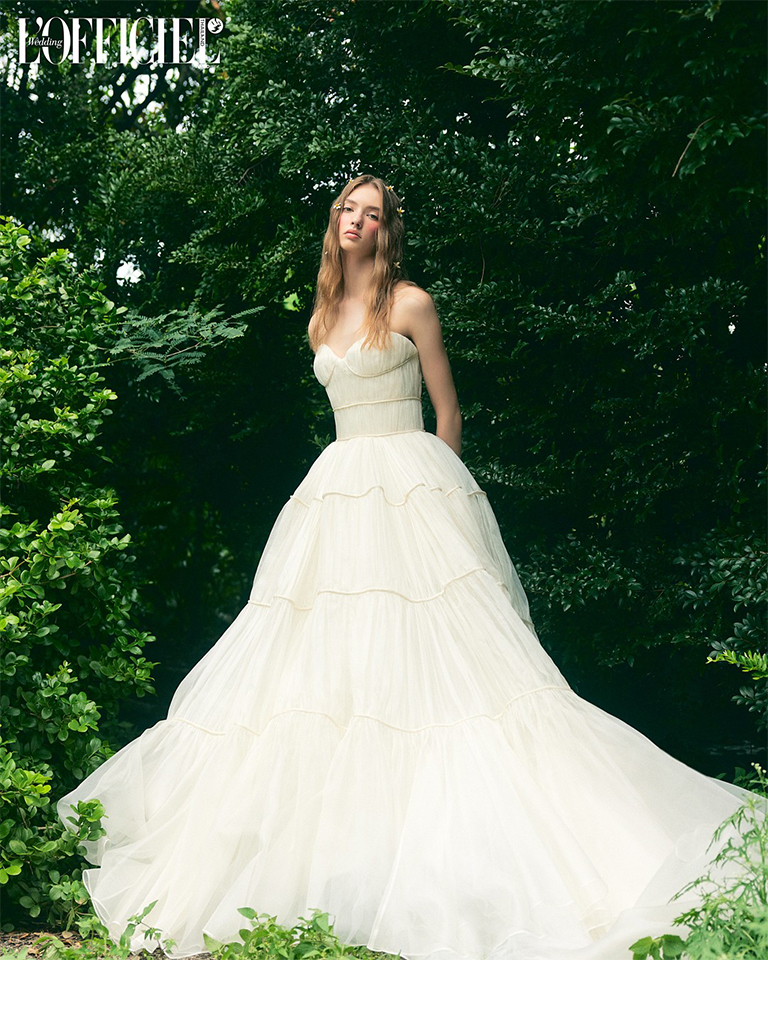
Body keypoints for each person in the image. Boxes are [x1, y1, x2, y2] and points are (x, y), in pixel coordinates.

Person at [59, 173, 754, 960]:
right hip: (337, 494)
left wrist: (441, 502)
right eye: (347, 209)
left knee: (454, 671)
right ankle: (347, 862)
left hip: (412, 483)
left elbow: (447, 411)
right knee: (328, 671)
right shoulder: (321, 317)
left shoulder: (411, 304)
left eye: (372, 213)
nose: (356, 221)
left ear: (389, 230)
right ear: (335, 222)